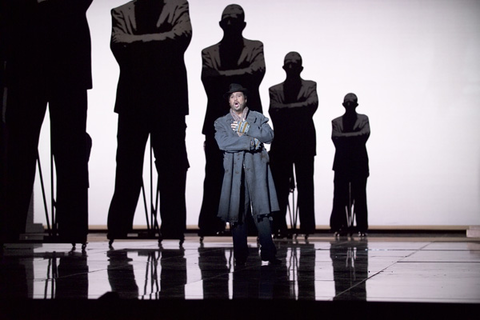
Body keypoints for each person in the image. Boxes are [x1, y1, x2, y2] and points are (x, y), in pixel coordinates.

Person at [2, 0, 93, 244]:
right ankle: (14, 226)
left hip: (46, 61)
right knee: (22, 149)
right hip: (43, 61)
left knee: (61, 149)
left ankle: (69, 228)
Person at [107, 0, 192, 244]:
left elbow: (180, 39)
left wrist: (139, 43)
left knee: (171, 167)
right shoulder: (121, 12)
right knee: (127, 166)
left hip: (167, 100)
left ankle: (172, 228)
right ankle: (119, 228)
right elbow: (120, 45)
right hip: (136, 100)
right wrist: (160, 42)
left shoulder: (178, 6)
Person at [198, 4, 266, 238]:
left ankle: (253, 221)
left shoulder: (256, 48)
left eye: (234, 19)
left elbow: (255, 75)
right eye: (227, 19)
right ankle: (210, 222)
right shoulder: (208, 53)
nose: (230, 23)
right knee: (215, 172)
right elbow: (210, 79)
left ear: (243, 24)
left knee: (252, 173)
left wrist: (224, 79)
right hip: (218, 122)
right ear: (220, 24)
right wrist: (240, 76)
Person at [214, 83, 280, 266]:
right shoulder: (221, 122)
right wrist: (250, 143)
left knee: (263, 212)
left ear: (245, 99)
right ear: (229, 100)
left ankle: (268, 252)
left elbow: (269, 136)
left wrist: (247, 129)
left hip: (257, 169)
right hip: (235, 173)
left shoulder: (258, 118)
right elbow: (224, 143)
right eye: (232, 96)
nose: (235, 99)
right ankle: (240, 255)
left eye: (239, 96)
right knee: (237, 213)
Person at [268, 52, 318, 239]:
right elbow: (275, 111)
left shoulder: (310, 86)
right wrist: (299, 107)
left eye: (294, 64)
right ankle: (279, 225)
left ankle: (306, 226)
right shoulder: (274, 90)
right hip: (282, 142)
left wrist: (287, 109)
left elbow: (311, 106)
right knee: (280, 186)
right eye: (288, 64)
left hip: (304, 141)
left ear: (300, 68)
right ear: (283, 67)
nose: (291, 67)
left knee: (305, 184)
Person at [330, 93, 370, 237]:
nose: (349, 106)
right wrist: (354, 136)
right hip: (342, 163)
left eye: (351, 103)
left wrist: (345, 137)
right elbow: (336, 138)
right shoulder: (336, 122)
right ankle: (339, 226)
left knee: (359, 195)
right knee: (340, 196)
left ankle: (361, 227)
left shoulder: (363, 119)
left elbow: (364, 135)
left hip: (358, 163)